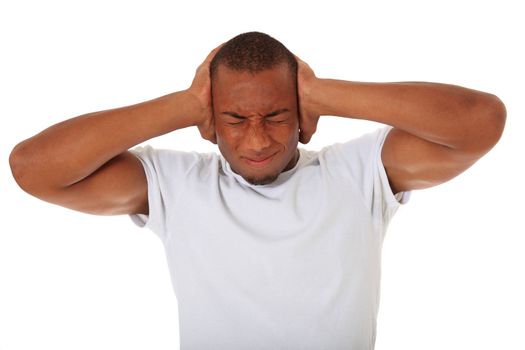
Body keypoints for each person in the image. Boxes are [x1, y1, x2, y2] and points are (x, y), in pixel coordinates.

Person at [9, 32, 506, 349]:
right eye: (234, 119)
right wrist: (184, 105)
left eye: (275, 115)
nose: (257, 140)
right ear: (210, 123)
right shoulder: (176, 186)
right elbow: (34, 169)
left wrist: (320, 92)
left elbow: (480, 121)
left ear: (301, 116)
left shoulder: (361, 174)